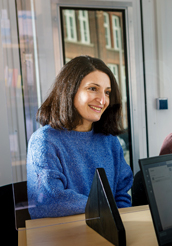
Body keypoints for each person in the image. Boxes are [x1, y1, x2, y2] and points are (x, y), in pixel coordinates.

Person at [27, 56, 133, 219]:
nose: (102, 100)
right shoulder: (44, 140)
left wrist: (118, 224)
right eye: (92, 89)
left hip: (109, 231)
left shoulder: (110, 141)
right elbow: (48, 201)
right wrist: (106, 208)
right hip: (61, 235)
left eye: (107, 92)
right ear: (70, 90)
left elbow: (121, 194)